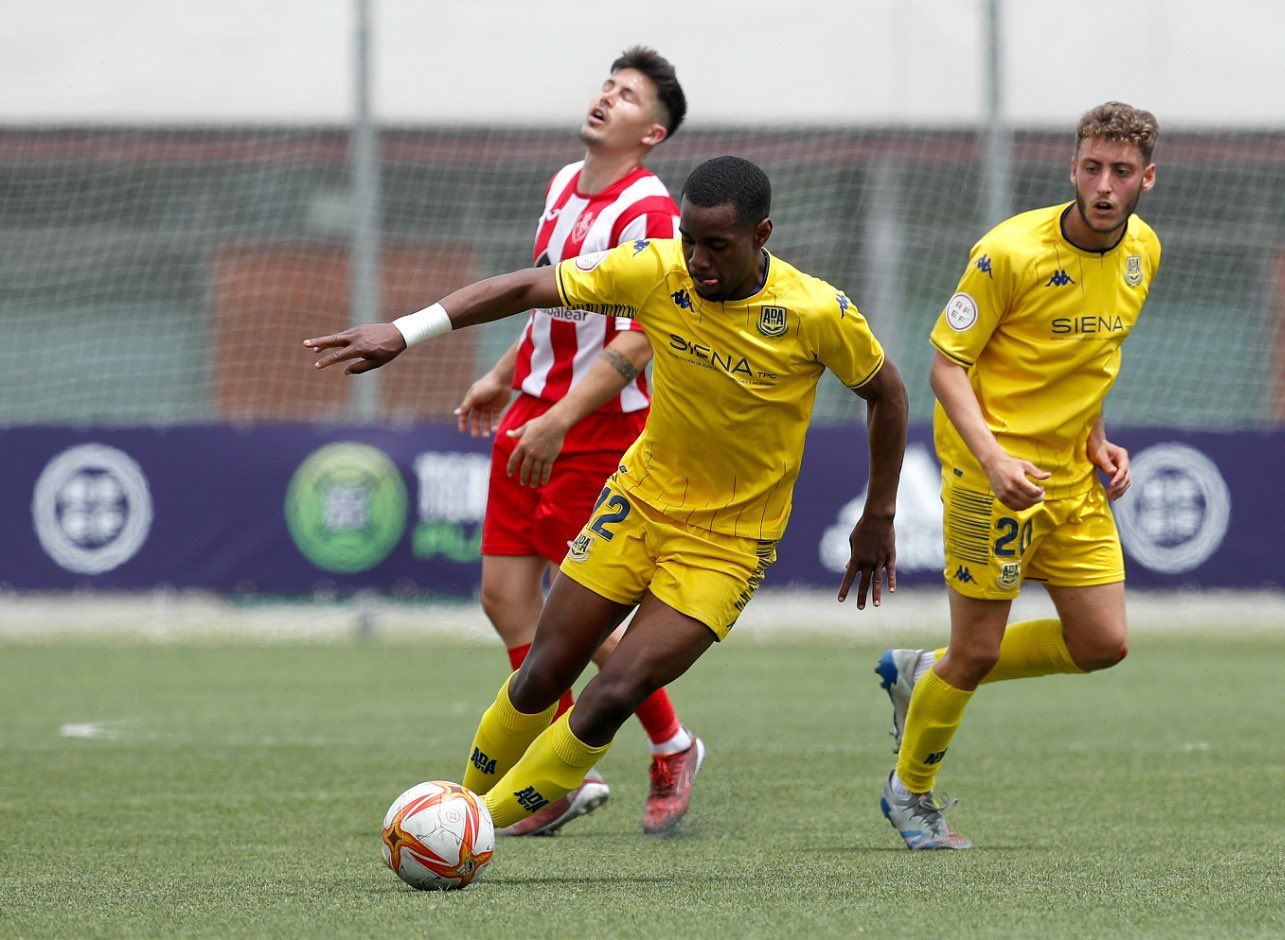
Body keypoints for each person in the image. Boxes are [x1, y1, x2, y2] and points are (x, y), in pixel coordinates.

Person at [304, 155, 908, 838]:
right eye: (689, 239)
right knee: (540, 674)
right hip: (638, 505)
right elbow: (528, 288)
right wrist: (405, 331)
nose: (698, 259)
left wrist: (878, 514)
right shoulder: (657, 270)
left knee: (613, 691)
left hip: (728, 544)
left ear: (761, 234)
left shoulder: (815, 311)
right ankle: (457, 804)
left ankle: (470, 831)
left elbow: (887, 394)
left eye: (719, 245)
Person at [875, 102, 1161, 849]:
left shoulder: (1143, 253)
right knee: (978, 652)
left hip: (1070, 479)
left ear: (1146, 179)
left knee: (1103, 644)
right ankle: (911, 794)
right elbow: (946, 366)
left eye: (1121, 172)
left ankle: (920, 672)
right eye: (1092, 168)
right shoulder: (1009, 253)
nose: (1104, 185)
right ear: (1072, 169)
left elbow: (1092, 358)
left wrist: (1099, 437)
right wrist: (995, 458)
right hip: (988, 476)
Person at [452, 46, 700, 837]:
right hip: (533, 409)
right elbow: (548, 301)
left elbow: (637, 343)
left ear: (652, 131)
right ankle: (560, 780)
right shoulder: (563, 182)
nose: (606, 100)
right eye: (607, 86)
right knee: (505, 596)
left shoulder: (651, 212)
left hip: (596, 430)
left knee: (579, 616)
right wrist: (505, 375)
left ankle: (673, 745)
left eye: (626, 97)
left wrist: (561, 421)